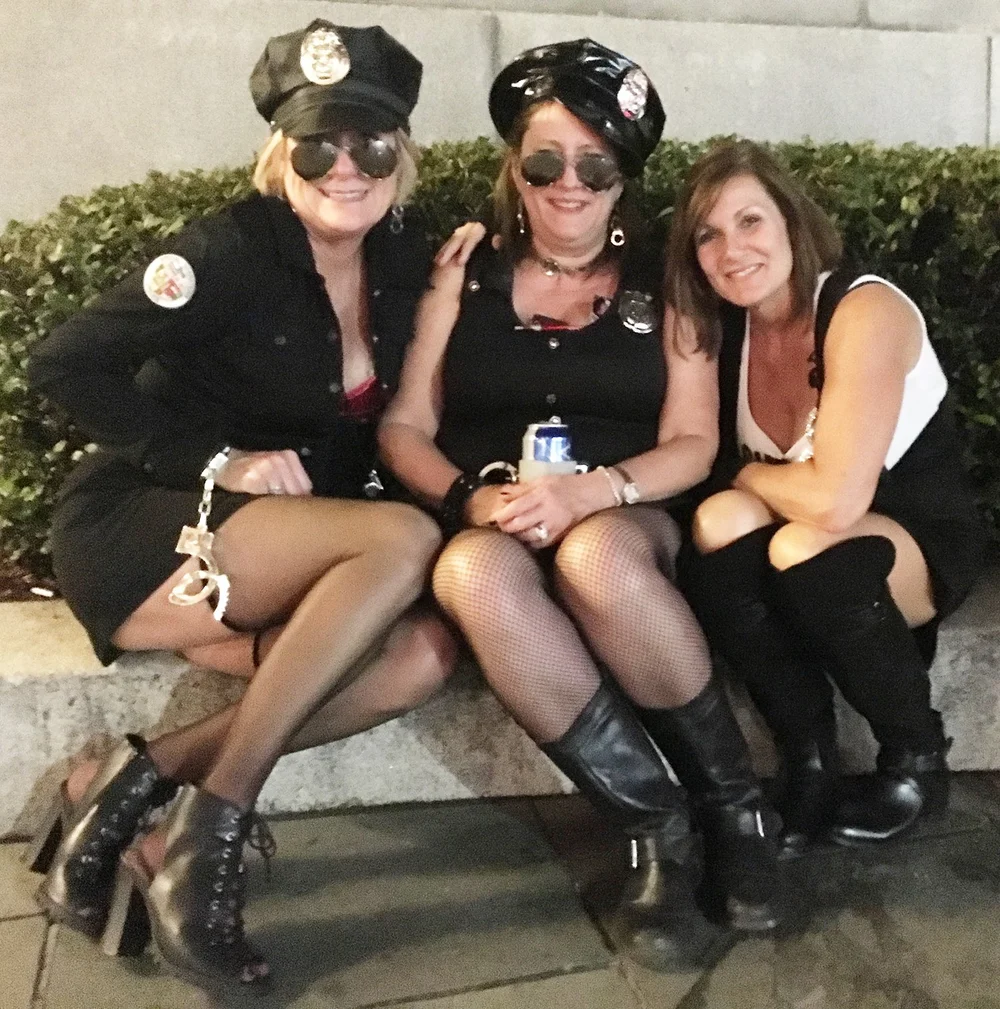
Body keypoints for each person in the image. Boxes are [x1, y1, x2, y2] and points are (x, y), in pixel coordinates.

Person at [25, 21, 458, 993]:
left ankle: (130, 786)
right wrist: (219, 461)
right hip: (148, 520)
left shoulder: (402, 257)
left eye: (369, 144)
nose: (344, 168)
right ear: (280, 154)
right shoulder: (227, 251)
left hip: (281, 544)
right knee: (404, 539)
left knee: (423, 654)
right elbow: (63, 363)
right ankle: (207, 836)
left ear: (399, 154)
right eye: (317, 146)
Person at [379, 40, 785, 970]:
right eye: (546, 162)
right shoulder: (462, 273)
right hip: (494, 510)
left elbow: (693, 440)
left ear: (623, 177)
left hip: (625, 508)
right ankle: (655, 823)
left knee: (592, 554)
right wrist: (469, 498)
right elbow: (404, 427)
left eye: (596, 166)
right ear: (515, 169)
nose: (570, 185)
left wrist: (594, 490)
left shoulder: (668, 279)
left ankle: (736, 807)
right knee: (471, 573)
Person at [664, 139, 987, 860]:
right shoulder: (731, 329)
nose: (731, 250)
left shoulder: (863, 309)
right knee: (717, 523)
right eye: (708, 234)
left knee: (803, 541)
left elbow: (838, 501)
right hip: (803, 530)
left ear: (791, 221)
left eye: (750, 221)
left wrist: (748, 476)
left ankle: (916, 760)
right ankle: (808, 756)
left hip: (913, 536)